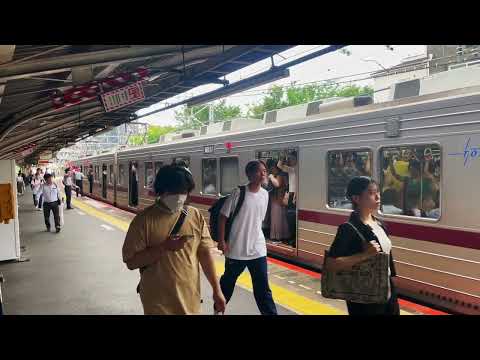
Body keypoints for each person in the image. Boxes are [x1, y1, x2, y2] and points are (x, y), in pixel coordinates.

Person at [122, 165, 226, 315]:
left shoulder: (194, 215)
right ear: (163, 191)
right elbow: (131, 262)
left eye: (185, 192)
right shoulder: (143, 221)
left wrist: (217, 290)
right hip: (158, 302)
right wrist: (164, 247)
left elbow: (204, 254)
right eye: (178, 192)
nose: (183, 196)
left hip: (190, 299)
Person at [327, 176, 400, 315]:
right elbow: (332, 263)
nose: (378, 196)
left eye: (378, 191)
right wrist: (365, 255)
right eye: (371, 193)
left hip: (387, 290)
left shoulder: (380, 224)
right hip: (363, 295)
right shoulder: (348, 228)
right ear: (356, 198)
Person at [217, 160, 278, 315]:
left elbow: (259, 220)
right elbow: (222, 217)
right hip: (236, 249)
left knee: (263, 289)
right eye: (259, 171)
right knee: (228, 284)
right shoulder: (238, 193)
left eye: (264, 171)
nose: (263, 174)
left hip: (257, 249)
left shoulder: (265, 195)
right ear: (250, 174)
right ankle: (218, 309)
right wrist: (222, 241)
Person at [267, 165, 290, 243]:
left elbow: (277, 184)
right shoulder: (281, 175)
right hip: (278, 199)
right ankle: (282, 235)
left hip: (278, 200)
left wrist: (271, 177)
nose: (271, 170)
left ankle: (277, 236)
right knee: (279, 217)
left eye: (272, 168)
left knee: (277, 217)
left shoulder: (279, 175)